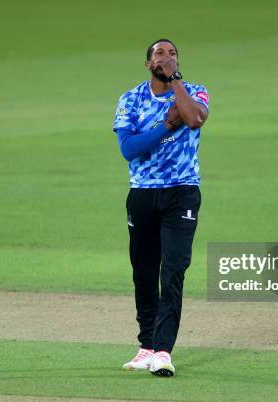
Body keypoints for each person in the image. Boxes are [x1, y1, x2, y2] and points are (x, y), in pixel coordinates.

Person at [112, 39, 210, 377]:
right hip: (142, 194)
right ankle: (146, 346)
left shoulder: (195, 91)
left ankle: (163, 351)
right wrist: (167, 125)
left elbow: (195, 119)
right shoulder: (131, 99)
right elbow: (129, 148)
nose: (166, 58)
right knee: (143, 271)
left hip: (181, 192)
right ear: (147, 63)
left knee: (173, 270)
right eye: (159, 53)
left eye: (172, 54)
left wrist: (176, 81)